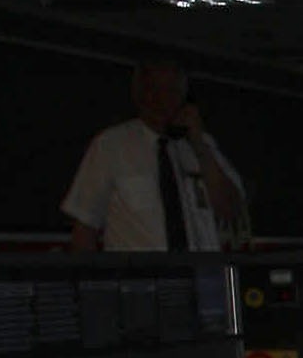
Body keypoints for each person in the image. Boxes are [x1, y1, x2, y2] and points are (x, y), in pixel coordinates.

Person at [62, 55, 249, 251]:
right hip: (141, 278)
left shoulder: (202, 145)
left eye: (172, 91)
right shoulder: (110, 146)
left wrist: (200, 147)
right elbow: (86, 225)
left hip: (200, 274)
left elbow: (231, 211)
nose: (163, 99)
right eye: (154, 89)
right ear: (139, 95)